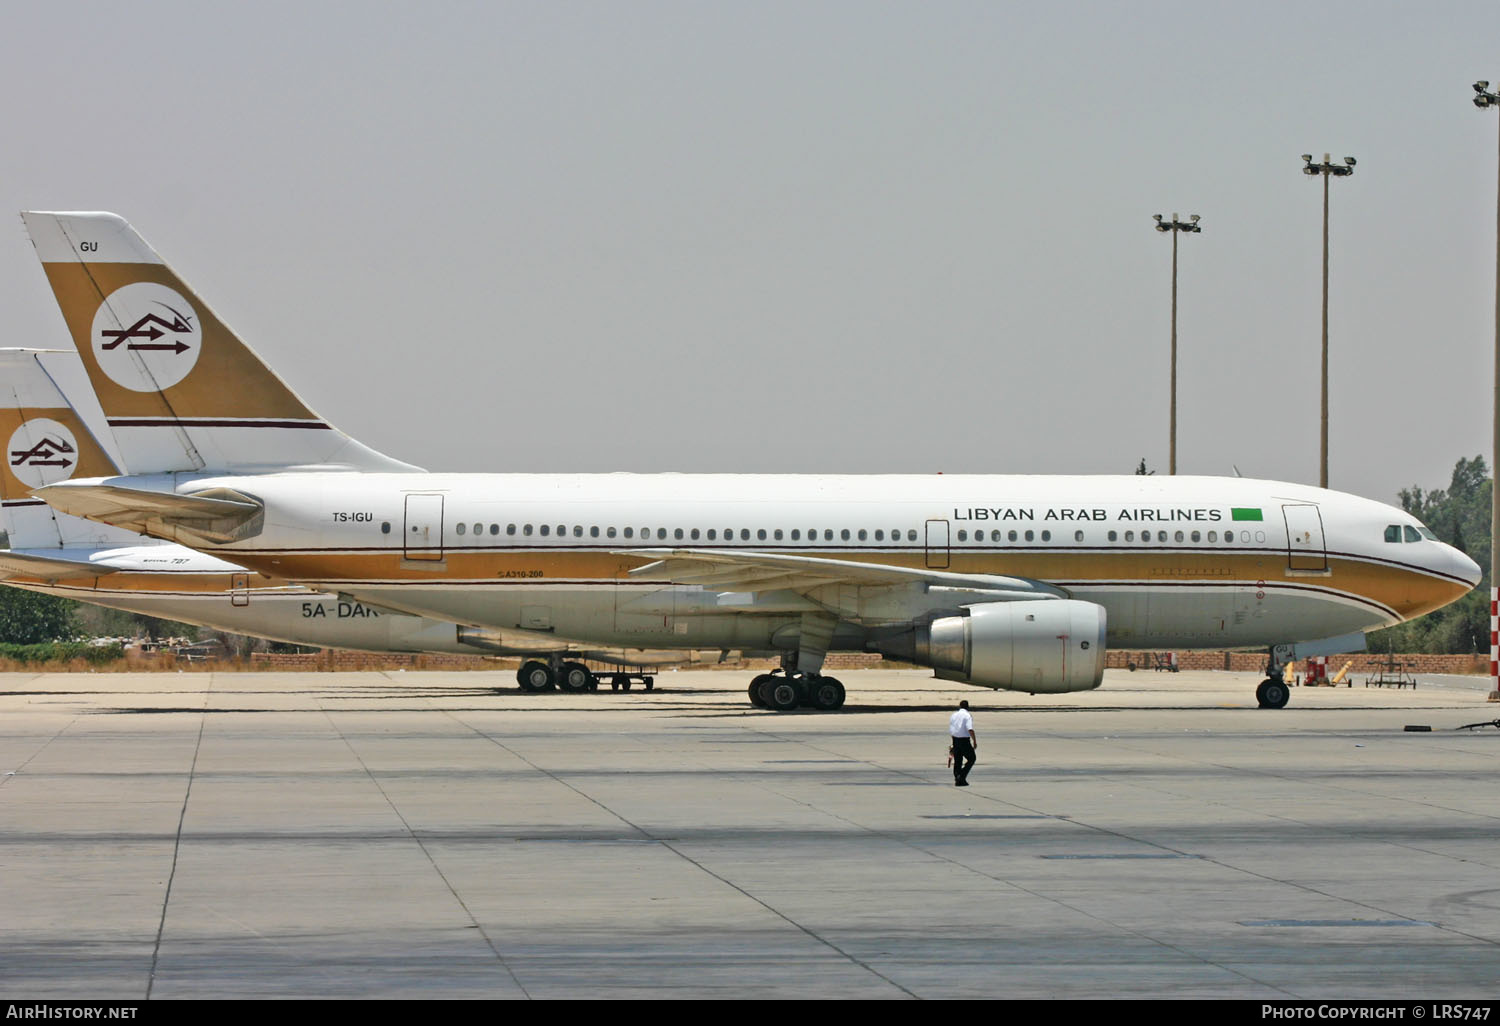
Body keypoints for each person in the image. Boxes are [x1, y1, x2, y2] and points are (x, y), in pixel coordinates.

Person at [948, 700, 976, 786]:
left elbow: (952, 729)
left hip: (955, 739)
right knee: (972, 758)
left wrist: (953, 742)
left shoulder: (954, 715)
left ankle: (958, 778)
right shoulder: (967, 715)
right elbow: (970, 729)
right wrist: (974, 741)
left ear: (960, 706)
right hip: (964, 741)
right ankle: (961, 776)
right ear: (968, 707)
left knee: (958, 761)